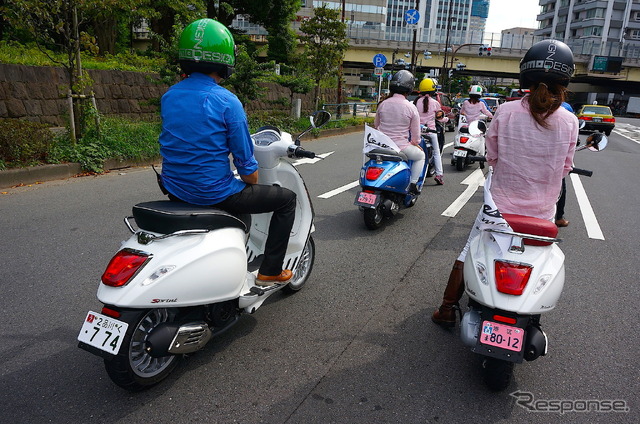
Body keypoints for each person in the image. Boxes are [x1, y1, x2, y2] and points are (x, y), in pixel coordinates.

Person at [432, 39, 579, 327]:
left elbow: (493, 158)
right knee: (543, 259)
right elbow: (564, 168)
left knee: (469, 250)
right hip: (542, 214)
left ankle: (448, 308)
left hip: (498, 209)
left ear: (525, 74)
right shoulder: (570, 121)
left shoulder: (507, 112)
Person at [159, 18, 296, 287]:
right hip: (212, 192)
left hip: (174, 187)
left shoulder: (170, 96)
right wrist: (249, 174)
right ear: (225, 60)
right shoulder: (227, 101)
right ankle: (269, 270)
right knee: (286, 200)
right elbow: (248, 171)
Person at [374, 70, 424, 194]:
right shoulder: (411, 107)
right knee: (420, 156)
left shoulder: (383, 104)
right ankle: (412, 183)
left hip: (380, 144)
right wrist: (415, 142)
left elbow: (376, 125)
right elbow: (416, 136)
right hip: (400, 147)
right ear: (410, 88)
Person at [414, 78, 446, 185]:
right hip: (431, 132)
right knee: (437, 153)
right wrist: (447, 119)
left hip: (417, 131)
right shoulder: (435, 103)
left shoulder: (415, 101)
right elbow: (439, 117)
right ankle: (439, 175)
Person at [555, 101, 575, 227]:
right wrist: (566, 169)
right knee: (561, 188)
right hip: (555, 166)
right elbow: (572, 146)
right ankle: (559, 217)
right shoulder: (569, 115)